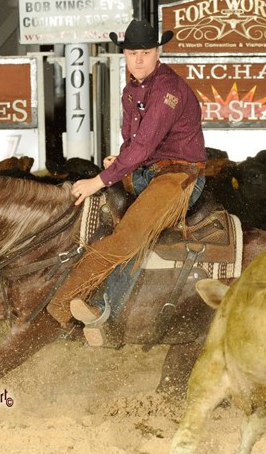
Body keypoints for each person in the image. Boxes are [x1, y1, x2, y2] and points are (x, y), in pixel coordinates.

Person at [46, 19, 206, 347]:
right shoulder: (131, 90)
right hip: (147, 174)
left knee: (128, 237)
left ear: (156, 53)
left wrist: (99, 180)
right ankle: (96, 304)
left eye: (145, 53)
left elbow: (144, 145)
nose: (137, 59)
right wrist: (118, 163)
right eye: (132, 53)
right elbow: (132, 143)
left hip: (178, 178)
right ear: (125, 54)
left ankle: (73, 306)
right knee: (100, 225)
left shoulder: (167, 91)